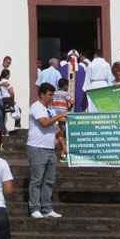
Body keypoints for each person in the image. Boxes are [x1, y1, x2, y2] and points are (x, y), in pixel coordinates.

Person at [28, 83, 67, 219]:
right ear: (42, 94)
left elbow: (56, 130)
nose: (51, 98)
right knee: (37, 179)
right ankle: (34, 207)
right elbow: (44, 123)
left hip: (50, 148)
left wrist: (63, 145)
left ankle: (47, 208)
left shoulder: (51, 110)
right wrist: (59, 116)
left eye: (52, 94)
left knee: (49, 180)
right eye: (50, 95)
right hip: (37, 147)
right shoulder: (36, 107)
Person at [51, 78, 72, 159]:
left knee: (58, 132)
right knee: (62, 133)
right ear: (65, 85)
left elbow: (51, 102)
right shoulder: (66, 94)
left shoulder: (54, 93)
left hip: (55, 115)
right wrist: (69, 108)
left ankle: (60, 150)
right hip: (63, 115)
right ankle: (63, 152)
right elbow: (72, 101)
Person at [0, 70, 14, 137]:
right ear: (7, 75)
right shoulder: (7, 82)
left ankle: (2, 132)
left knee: (1, 117)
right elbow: (12, 92)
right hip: (5, 100)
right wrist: (12, 101)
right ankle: (5, 131)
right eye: (9, 74)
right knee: (6, 115)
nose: (10, 76)